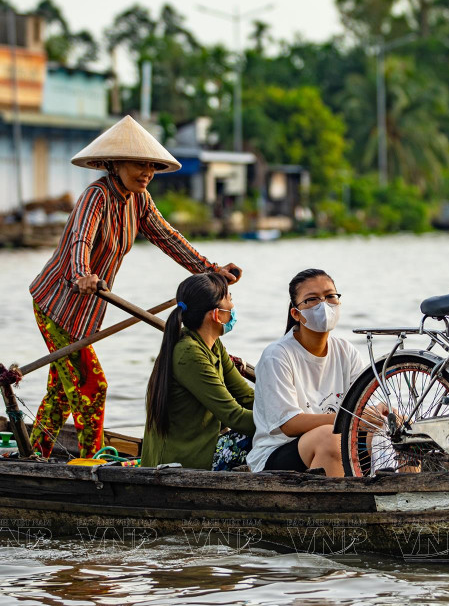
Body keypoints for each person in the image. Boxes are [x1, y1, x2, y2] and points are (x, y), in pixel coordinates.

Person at [27, 115, 242, 459]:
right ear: (115, 163)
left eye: (152, 166)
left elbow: (169, 239)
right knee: (92, 387)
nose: (146, 173)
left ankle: (34, 454)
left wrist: (212, 271)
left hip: (84, 311)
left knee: (63, 391)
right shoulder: (95, 196)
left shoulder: (139, 200)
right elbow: (80, 239)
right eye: (139, 164)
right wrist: (83, 273)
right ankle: (89, 465)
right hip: (57, 304)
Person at [247, 269, 369, 476]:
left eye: (330, 296)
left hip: (335, 441)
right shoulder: (276, 356)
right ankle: (341, 503)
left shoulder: (346, 351)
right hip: (276, 453)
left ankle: (406, 501)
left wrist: (380, 416)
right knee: (328, 438)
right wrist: (351, 418)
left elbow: (364, 404)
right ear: (296, 313)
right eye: (312, 299)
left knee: (397, 431)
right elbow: (289, 424)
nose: (324, 304)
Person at [141, 272, 254, 470]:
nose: (233, 307)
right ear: (216, 314)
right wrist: (287, 425)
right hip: (182, 462)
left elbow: (246, 397)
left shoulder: (214, 345)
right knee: (268, 439)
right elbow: (234, 417)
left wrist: (296, 414)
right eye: (230, 299)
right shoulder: (189, 353)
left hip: (202, 449)